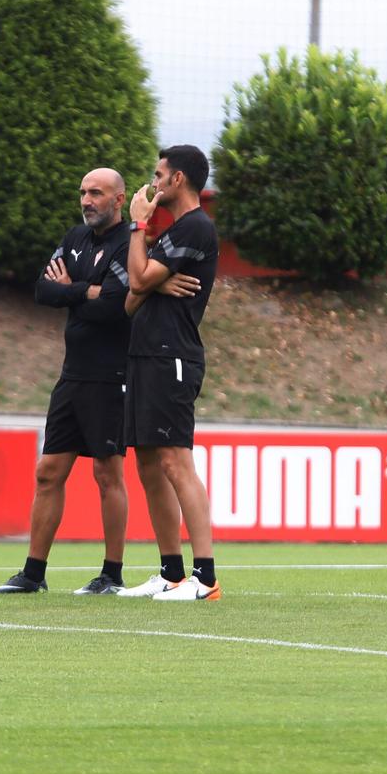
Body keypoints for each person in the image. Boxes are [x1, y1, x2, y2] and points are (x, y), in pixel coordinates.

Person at [0, 167, 196, 594]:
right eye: (83, 192)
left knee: (107, 473)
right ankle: (33, 574)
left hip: (113, 373)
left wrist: (73, 289)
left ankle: (111, 574)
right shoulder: (74, 238)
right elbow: (44, 291)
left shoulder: (129, 243)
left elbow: (118, 306)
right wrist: (87, 290)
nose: (86, 200)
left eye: (96, 193)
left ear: (119, 200)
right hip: (73, 373)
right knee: (49, 471)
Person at [117, 145, 222, 601]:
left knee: (177, 461)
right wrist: (156, 276)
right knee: (148, 464)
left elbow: (138, 280)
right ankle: (171, 571)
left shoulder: (196, 227)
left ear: (178, 179)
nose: (153, 182)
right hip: (144, 355)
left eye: (159, 175)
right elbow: (130, 298)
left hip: (172, 356)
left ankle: (206, 578)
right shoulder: (173, 233)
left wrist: (140, 227)